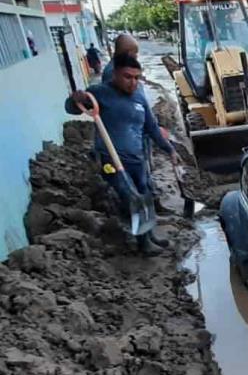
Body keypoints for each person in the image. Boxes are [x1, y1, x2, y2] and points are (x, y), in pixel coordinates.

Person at [65, 54, 177, 256]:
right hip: (112, 161)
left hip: (137, 159)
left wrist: (169, 149)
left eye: (136, 77)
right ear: (115, 74)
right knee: (130, 197)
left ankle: (150, 235)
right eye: (127, 77)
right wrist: (75, 100)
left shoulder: (139, 97)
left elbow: (152, 128)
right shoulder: (100, 93)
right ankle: (142, 243)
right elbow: (73, 108)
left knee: (145, 195)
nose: (133, 82)